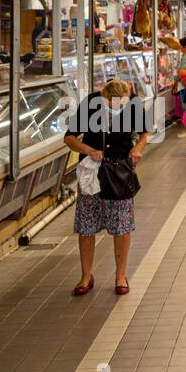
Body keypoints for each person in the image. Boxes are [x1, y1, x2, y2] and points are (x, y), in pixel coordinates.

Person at [64, 79, 150, 296]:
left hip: (119, 172)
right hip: (91, 174)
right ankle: (86, 276)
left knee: (122, 226)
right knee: (87, 225)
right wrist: (88, 149)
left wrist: (137, 149)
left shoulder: (133, 104)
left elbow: (144, 134)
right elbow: (70, 139)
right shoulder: (91, 103)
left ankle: (121, 276)